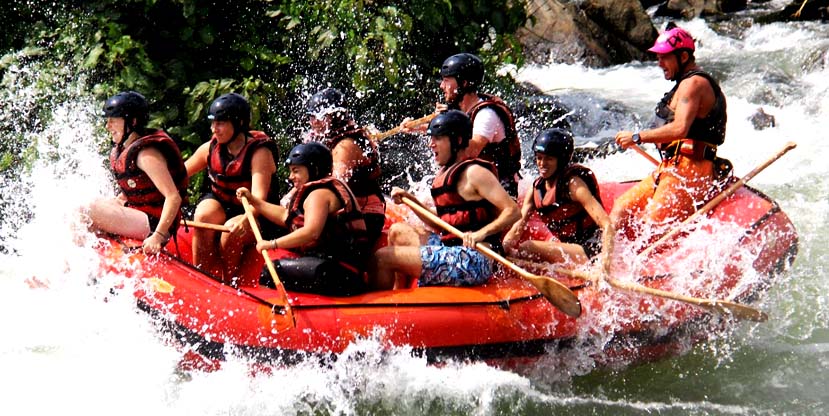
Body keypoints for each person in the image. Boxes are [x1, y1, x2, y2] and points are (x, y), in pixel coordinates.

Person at [370, 110, 520, 290]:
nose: (431, 144)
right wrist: (411, 200)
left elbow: (513, 211)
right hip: (453, 248)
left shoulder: (475, 173)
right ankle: (400, 296)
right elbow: (441, 224)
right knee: (396, 231)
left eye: (438, 138)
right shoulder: (447, 173)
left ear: (457, 141)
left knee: (381, 258)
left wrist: (481, 234)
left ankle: (386, 311)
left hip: (473, 260)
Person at [610, 23, 729, 243]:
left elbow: (679, 128)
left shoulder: (694, 84)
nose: (659, 63)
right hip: (672, 166)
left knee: (652, 229)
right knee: (620, 210)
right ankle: (604, 268)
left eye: (664, 57)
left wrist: (637, 137)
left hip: (692, 169)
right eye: (658, 57)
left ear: (683, 56)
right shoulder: (683, 83)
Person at [237, 142, 370, 296]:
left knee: (271, 271)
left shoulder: (319, 195)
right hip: (333, 267)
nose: (290, 177)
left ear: (314, 170)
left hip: (343, 272)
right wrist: (254, 200)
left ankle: (274, 314)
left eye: (296, 171)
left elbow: (311, 232)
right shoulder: (317, 191)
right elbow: (285, 216)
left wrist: (272, 244)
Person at [185, 93, 280, 283]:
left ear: (239, 124)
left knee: (231, 230)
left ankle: (228, 281)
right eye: (213, 123)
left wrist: (244, 220)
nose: (214, 129)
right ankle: (201, 275)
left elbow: (258, 201)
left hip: (256, 213)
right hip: (223, 204)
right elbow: (179, 174)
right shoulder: (210, 148)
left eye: (220, 123)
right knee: (203, 215)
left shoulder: (259, 153)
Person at [402, 53, 521, 197]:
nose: (441, 86)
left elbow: (472, 150)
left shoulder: (486, 114)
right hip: (475, 185)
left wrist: (447, 126)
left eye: (446, 80)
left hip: (499, 189)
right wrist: (416, 128)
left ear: (464, 83)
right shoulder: (459, 110)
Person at [86, 91, 187, 254]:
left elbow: (173, 197)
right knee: (82, 206)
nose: (108, 126)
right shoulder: (125, 150)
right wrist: (118, 201)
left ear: (132, 121)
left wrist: (158, 235)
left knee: (86, 209)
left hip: (154, 224)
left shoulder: (146, 154)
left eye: (113, 120)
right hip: (140, 215)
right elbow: (136, 190)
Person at [503, 128, 610, 265]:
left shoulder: (573, 185)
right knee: (521, 253)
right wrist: (503, 248)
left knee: (527, 248)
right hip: (571, 248)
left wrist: (604, 268)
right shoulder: (536, 189)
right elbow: (518, 227)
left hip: (594, 250)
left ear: (561, 160)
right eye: (539, 158)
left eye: (549, 159)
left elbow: (607, 224)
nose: (542, 164)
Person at [305, 87, 386, 248]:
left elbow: (336, 188)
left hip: (364, 217)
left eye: (316, 117)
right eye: (310, 117)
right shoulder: (330, 143)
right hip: (347, 213)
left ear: (331, 117)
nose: (311, 122)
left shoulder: (345, 147)